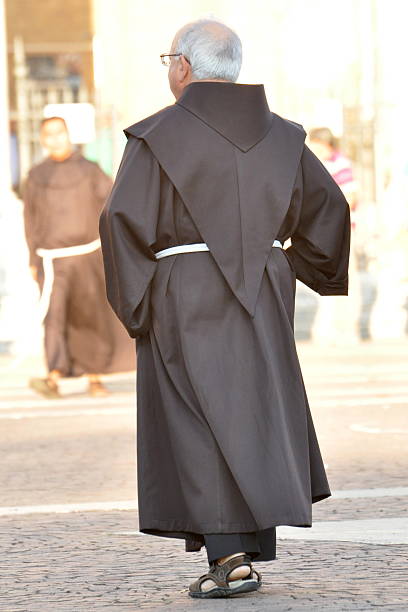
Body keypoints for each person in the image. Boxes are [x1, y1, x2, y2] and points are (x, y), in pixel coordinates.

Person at [100, 19, 350, 599]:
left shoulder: (158, 136)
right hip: (262, 287)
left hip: (184, 287)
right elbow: (328, 209)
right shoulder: (284, 136)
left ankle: (230, 557)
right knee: (252, 410)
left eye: (167, 59)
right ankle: (243, 549)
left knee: (197, 420)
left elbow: (121, 220)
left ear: (183, 66)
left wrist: (137, 301)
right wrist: (304, 268)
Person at [23, 116, 135, 399]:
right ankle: (54, 375)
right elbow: (31, 220)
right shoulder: (36, 175)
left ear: (68, 135)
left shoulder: (90, 170)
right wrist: (33, 259)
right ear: (42, 139)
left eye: (60, 133)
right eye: (49, 134)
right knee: (54, 316)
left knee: (90, 317)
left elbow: (112, 206)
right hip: (52, 260)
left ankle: (94, 377)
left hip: (88, 256)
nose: (56, 139)